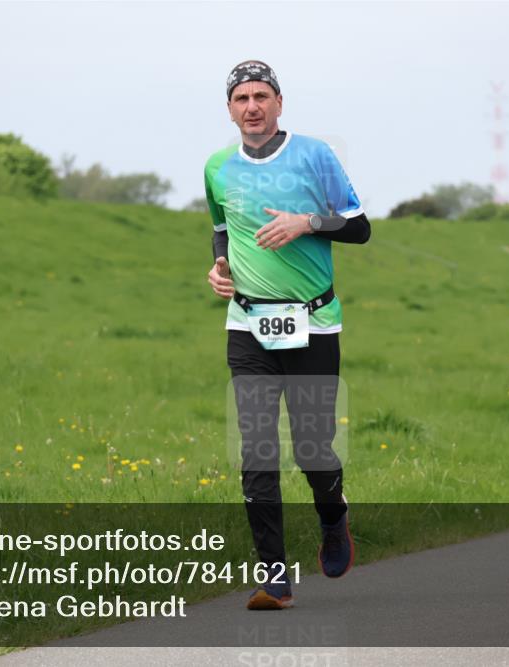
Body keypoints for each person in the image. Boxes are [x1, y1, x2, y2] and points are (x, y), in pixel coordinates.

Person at [203, 60, 372, 609]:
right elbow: (222, 231)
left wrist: (308, 222)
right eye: (240, 98)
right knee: (256, 451)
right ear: (229, 108)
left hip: (313, 324)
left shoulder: (315, 155)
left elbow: (360, 226)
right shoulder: (216, 166)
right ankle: (275, 577)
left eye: (261, 95)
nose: (251, 106)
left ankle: (333, 518)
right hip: (248, 326)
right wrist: (219, 268)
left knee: (311, 449)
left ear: (279, 102)